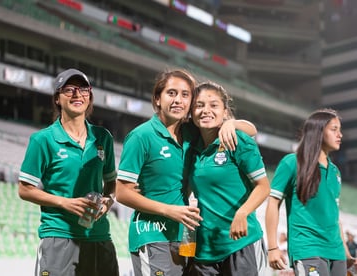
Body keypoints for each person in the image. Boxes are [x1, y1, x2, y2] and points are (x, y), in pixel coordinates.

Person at [115, 69, 257, 276]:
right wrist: (168, 210)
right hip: (152, 234)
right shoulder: (141, 136)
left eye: (185, 95)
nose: (178, 100)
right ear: (157, 98)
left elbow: (252, 130)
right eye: (171, 93)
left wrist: (231, 123)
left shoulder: (192, 132)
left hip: (183, 237)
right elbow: (122, 193)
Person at [18, 68, 119, 276]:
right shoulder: (42, 139)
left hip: (99, 236)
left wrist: (108, 202)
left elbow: (111, 184)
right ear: (57, 98)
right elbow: (25, 190)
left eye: (83, 89)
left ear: (89, 97)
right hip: (59, 235)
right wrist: (66, 202)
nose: (77, 94)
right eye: (69, 89)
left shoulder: (103, 138)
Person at [186, 81, 270, 276]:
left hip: (241, 244)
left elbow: (263, 187)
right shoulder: (191, 147)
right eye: (199, 105)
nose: (206, 110)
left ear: (225, 111)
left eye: (213, 105)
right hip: (204, 251)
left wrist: (242, 213)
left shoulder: (238, 141)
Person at [265, 108, 352, 276]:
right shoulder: (291, 163)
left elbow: (335, 217)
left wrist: (346, 253)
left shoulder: (335, 172)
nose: (340, 135)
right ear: (318, 131)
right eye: (334, 129)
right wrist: (272, 247)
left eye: (340, 130)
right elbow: (273, 203)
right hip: (307, 248)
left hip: (336, 253)